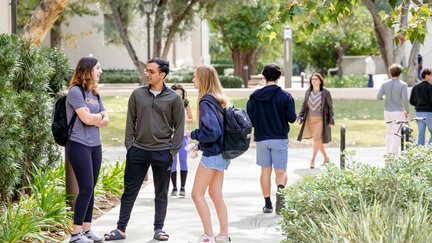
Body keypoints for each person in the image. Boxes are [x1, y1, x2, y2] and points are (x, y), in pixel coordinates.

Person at [104, 58, 185, 241]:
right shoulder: (137, 94)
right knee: (129, 191)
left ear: (162, 75)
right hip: (138, 151)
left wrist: (172, 152)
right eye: (146, 70)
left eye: (151, 71)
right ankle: (120, 229)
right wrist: (130, 146)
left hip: (162, 152)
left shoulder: (174, 98)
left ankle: (158, 229)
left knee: (161, 193)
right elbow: (130, 121)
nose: (147, 74)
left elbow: (179, 128)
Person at [66, 56, 109, 243]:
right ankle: (75, 234)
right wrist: (98, 116)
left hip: (95, 145)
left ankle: (87, 230)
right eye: (98, 68)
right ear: (88, 69)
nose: (100, 71)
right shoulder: (75, 92)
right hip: (78, 144)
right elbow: (86, 119)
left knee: (91, 188)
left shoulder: (95, 93)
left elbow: (106, 121)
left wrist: (96, 117)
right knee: (86, 187)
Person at [246, 64, 297, 215]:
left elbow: (250, 120)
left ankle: (267, 204)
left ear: (263, 76)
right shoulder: (286, 96)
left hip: (262, 138)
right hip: (279, 138)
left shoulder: (254, 97)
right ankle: (280, 199)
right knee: (281, 172)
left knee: (265, 172)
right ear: (279, 77)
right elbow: (292, 118)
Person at [189, 65, 232, 243]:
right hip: (222, 154)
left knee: (196, 194)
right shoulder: (218, 99)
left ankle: (208, 235)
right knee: (215, 194)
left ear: (203, 80)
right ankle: (223, 235)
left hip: (212, 156)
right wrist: (199, 145)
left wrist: (193, 135)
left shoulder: (205, 101)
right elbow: (217, 131)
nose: (193, 80)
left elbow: (213, 131)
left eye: (195, 77)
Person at [297, 73, 334, 169]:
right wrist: (300, 116)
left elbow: (330, 107)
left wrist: (331, 120)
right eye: (312, 79)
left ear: (320, 81)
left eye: (316, 79)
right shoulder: (308, 92)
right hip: (310, 120)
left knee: (316, 140)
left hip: (320, 120)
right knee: (318, 141)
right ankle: (326, 158)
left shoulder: (325, 92)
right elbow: (304, 105)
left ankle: (312, 160)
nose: (314, 81)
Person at [377, 63, 409, 155]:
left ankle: (388, 152)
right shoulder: (403, 84)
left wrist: (386, 99)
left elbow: (378, 97)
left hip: (387, 111)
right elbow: (405, 100)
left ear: (390, 73)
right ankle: (394, 154)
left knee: (389, 132)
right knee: (396, 133)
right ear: (399, 73)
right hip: (398, 111)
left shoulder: (385, 83)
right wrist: (407, 111)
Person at [170, 83, 193, 197]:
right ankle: (174, 188)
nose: (179, 96)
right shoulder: (168, 104)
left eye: (181, 94)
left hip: (183, 136)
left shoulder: (186, 104)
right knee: (172, 163)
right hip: (171, 138)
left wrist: (182, 120)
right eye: (176, 93)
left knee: (183, 161)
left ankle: (183, 187)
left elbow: (191, 119)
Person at [409, 68, 432, 145]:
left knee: (421, 134)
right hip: (429, 113)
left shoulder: (416, 87)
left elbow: (411, 101)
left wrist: (418, 105)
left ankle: (420, 152)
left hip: (418, 113)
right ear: (426, 75)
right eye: (430, 74)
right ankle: (429, 150)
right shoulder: (430, 87)